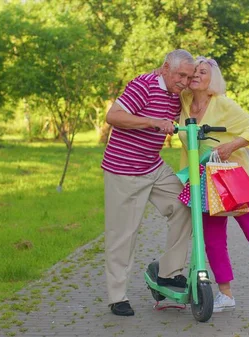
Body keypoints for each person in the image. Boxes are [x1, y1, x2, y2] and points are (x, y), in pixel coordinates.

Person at [177, 56, 249, 315]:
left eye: (203, 72)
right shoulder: (183, 101)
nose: (196, 75)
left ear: (212, 80)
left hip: (233, 180)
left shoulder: (224, 104)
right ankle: (225, 294)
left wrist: (231, 145)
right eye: (194, 71)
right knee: (214, 240)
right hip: (203, 183)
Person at [101, 49, 196, 317]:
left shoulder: (176, 94)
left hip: (152, 166)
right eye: (181, 75)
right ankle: (117, 296)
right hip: (124, 170)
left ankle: (168, 272)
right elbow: (113, 116)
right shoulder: (143, 85)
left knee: (186, 205)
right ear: (165, 68)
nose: (185, 82)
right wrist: (152, 122)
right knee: (123, 234)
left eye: (189, 77)